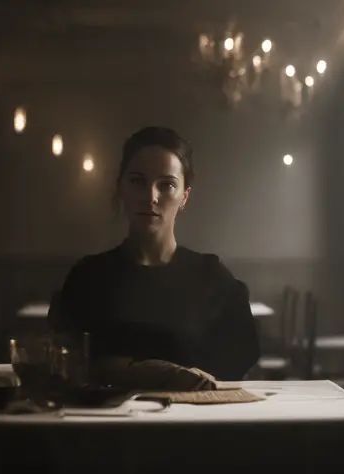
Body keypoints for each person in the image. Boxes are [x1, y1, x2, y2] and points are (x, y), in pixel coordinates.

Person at [49, 126, 260, 381]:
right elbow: (66, 360)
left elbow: (238, 360)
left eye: (166, 185)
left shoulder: (212, 278)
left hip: (195, 417)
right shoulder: (88, 277)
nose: (150, 197)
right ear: (121, 188)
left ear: (184, 196)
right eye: (138, 182)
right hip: (108, 418)